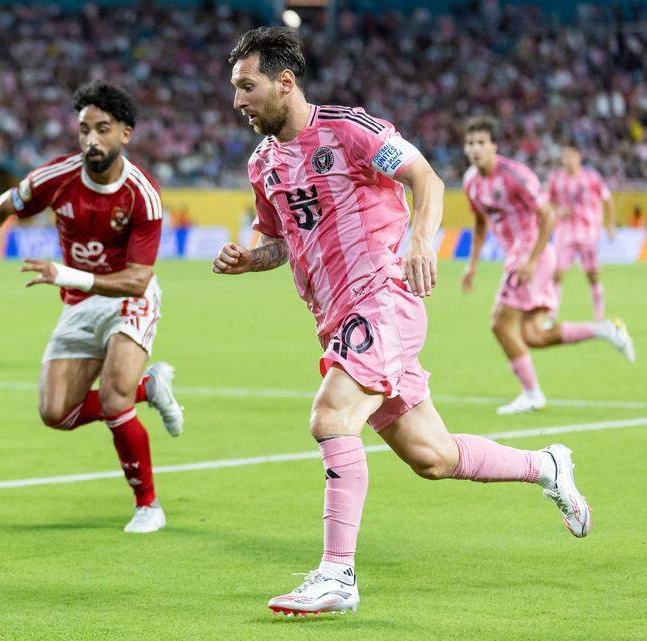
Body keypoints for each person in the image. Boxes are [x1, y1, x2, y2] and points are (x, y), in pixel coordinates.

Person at [214, 27, 594, 616]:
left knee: (331, 415)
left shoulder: (349, 129)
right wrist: (248, 259)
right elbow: (279, 241)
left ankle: (338, 577)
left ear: (285, 82)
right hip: (337, 316)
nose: (237, 101)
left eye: (247, 86)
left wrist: (421, 238)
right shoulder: (263, 163)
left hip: (384, 299)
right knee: (432, 457)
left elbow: (426, 179)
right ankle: (547, 466)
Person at [0, 81, 184, 533]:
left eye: (102, 129)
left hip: (130, 300)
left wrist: (66, 275)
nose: (91, 139)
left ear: (125, 133)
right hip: (79, 305)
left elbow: (138, 278)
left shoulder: (141, 193)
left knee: (112, 401)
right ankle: (149, 388)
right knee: (56, 413)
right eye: (84, 129)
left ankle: (148, 505)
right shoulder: (56, 177)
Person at [462, 118, 634, 414]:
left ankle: (532, 394)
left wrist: (530, 260)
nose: (476, 148)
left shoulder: (515, 175)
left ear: (493, 146)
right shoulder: (470, 182)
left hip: (532, 254)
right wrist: (472, 264)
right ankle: (605, 329)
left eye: (481, 142)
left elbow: (549, 217)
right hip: (519, 256)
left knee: (500, 323)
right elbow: (479, 224)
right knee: (532, 336)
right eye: (470, 143)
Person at [547, 142, 617, 320]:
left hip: (588, 232)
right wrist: (557, 211)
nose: (568, 160)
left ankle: (599, 317)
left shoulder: (591, 177)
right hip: (565, 231)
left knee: (592, 275)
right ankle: (552, 315)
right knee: (557, 274)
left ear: (579, 156)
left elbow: (608, 200)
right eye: (565, 156)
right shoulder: (556, 178)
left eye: (571, 156)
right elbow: (547, 203)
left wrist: (610, 224)